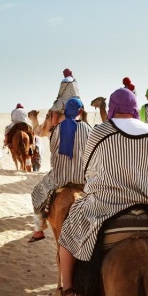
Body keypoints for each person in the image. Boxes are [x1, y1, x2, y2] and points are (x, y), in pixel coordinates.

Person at [54, 87, 148, 296]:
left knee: (68, 233)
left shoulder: (100, 131)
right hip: (147, 205)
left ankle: (67, 289)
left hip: (104, 203)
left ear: (113, 107)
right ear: (135, 107)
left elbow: (89, 167)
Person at [29, 97, 91, 242]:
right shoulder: (89, 129)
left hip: (58, 178)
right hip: (83, 178)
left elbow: (53, 154)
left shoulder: (56, 129)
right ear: (80, 111)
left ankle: (38, 230)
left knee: (36, 193)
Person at [46, 68, 81, 134]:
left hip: (67, 101)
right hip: (78, 101)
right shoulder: (75, 81)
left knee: (53, 110)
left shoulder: (65, 80)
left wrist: (57, 98)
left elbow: (60, 93)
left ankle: (54, 126)